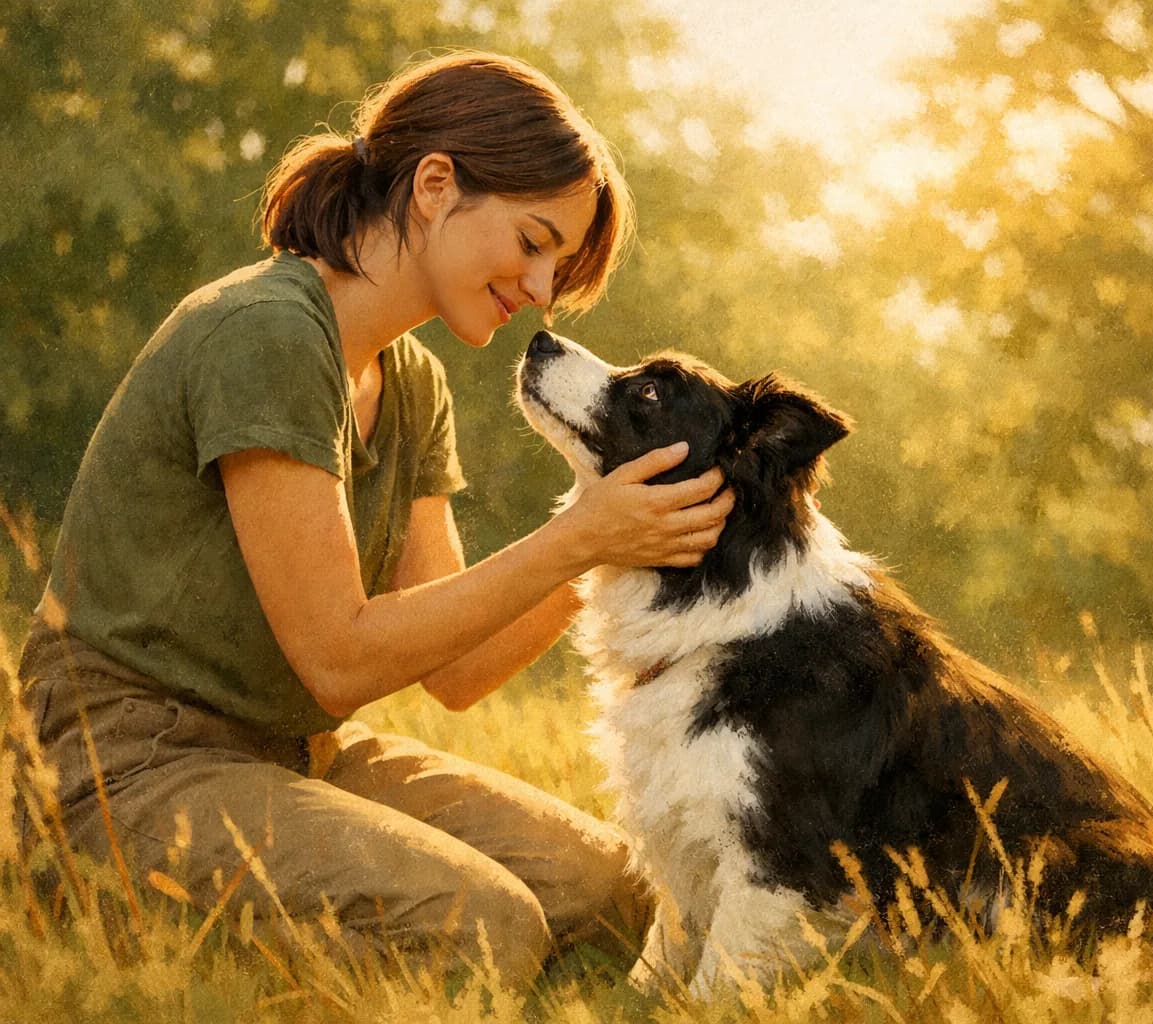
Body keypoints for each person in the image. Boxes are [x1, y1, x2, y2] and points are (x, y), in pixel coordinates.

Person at [15, 50, 733, 987]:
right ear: (436, 185)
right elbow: (338, 654)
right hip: (125, 764)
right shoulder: (266, 331)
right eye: (532, 240)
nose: (543, 290)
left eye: (557, 262)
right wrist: (581, 536)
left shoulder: (411, 381)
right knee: (483, 925)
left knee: (620, 896)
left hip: (300, 754)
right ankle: (97, 925)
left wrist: (621, 542)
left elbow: (462, 670)